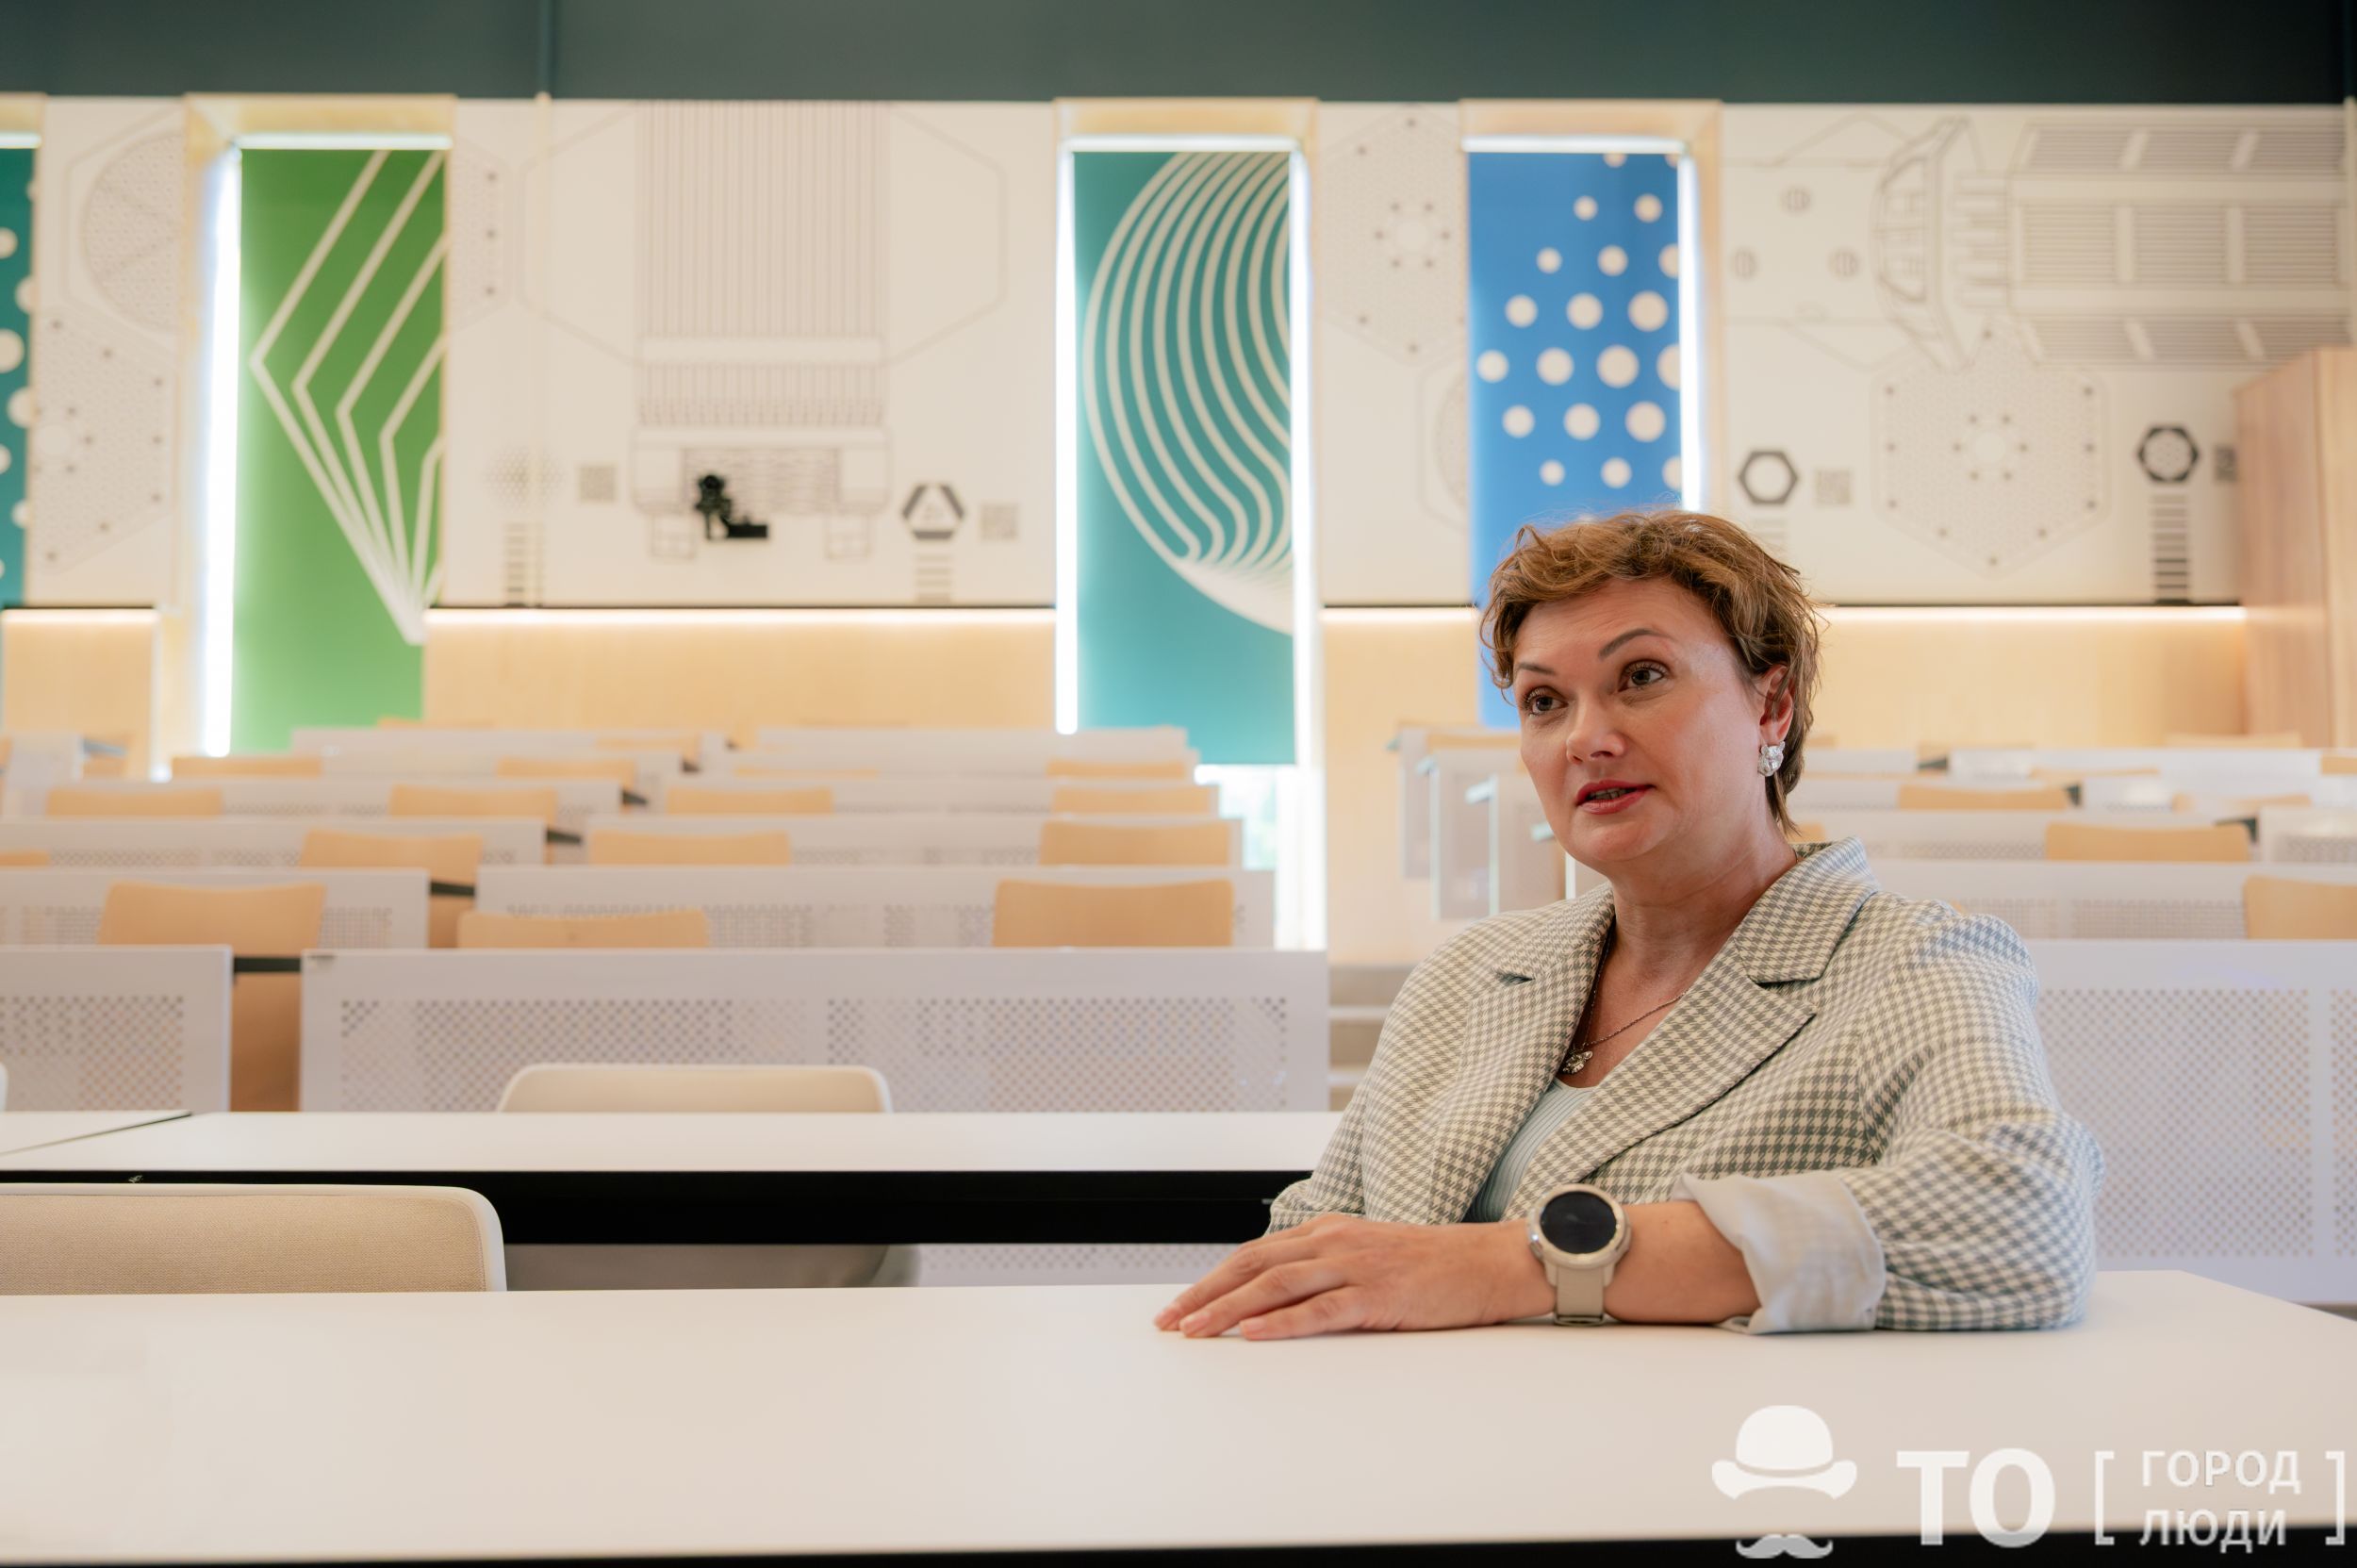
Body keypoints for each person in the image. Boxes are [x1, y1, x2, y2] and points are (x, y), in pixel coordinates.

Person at [1159, 510, 2102, 1341]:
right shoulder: (1469, 972)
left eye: (1641, 676)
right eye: (1544, 701)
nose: (1584, 737)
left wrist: (1514, 1266)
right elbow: (1320, 1239)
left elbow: (2023, 1216)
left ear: (1770, 704)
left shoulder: (1911, 961)